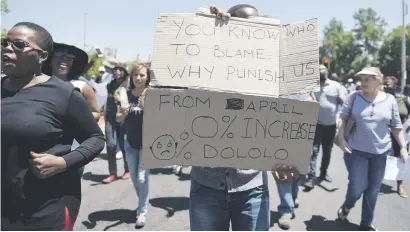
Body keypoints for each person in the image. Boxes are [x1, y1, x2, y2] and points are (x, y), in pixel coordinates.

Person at [188, 5, 300, 231]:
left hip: (252, 188)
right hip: (206, 185)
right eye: (244, 26)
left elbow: (282, 119)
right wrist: (205, 24)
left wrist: (286, 158)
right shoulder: (205, 67)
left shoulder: (272, 76)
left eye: (256, 27)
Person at [1, 22, 105, 230]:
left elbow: (95, 139)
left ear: (42, 56)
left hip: (46, 209)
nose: (7, 48)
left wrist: (63, 162)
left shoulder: (64, 94)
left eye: (19, 44)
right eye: (5, 42)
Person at [336, 67, 409, 231]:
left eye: (367, 79)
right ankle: (348, 205)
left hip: (381, 153)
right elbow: (343, 117)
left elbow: (396, 127)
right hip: (356, 151)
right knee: (358, 187)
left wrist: (403, 147)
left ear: (378, 79)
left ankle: (367, 222)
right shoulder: (354, 97)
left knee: (373, 189)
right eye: (361, 79)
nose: (363, 82)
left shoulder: (390, 100)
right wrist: (341, 138)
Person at [116, 63, 150, 228]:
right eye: (136, 75)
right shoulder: (126, 94)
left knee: (142, 178)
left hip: (148, 144)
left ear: (147, 77)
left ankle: (142, 212)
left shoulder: (152, 94)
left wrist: (146, 107)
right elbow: (118, 118)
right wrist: (121, 114)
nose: (138, 78)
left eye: (142, 75)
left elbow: (160, 118)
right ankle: (142, 202)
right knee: (135, 178)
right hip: (130, 142)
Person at [304, 65, 346, 189]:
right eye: (319, 70)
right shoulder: (312, 87)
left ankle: (323, 174)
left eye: (323, 69)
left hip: (331, 125)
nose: (321, 71)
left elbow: (343, 103)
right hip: (316, 124)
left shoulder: (335, 86)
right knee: (313, 151)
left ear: (327, 72)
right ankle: (311, 177)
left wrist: (342, 118)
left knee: (327, 152)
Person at [42, 42, 100, 122]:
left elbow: (96, 113)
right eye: (59, 54)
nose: (64, 59)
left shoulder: (82, 87)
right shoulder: (37, 84)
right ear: (49, 60)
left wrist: (76, 119)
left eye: (69, 57)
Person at [103, 65, 130, 183]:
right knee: (110, 145)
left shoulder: (129, 86)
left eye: (119, 70)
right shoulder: (110, 85)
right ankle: (112, 173)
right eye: (115, 70)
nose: (117, 72)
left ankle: (128, 170)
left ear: (124, 72)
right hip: (110, 118)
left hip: (124, 119)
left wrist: (122, 102)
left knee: (124, 146)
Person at [384, 76, 409, 198]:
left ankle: (400, 185)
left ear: (395, 86)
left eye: (388, 84)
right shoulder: (381, 98)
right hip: (385, 134)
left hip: (401, 133)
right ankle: (374, 183)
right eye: (385, 84)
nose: (386, 86)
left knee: (401, 158)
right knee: (383, 157)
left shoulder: (403, 99)